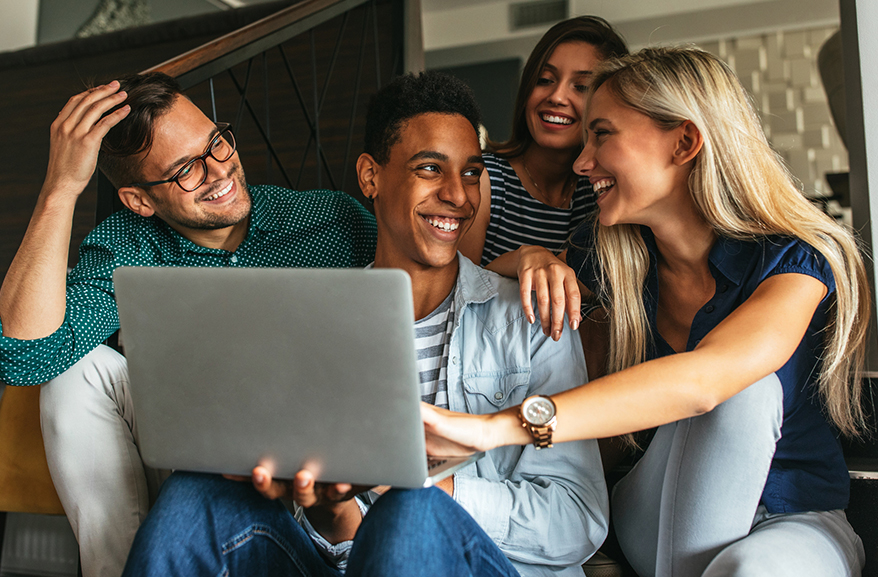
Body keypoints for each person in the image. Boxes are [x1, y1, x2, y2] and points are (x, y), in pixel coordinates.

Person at [120, 71, 608, 577]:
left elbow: (578, 520)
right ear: (371, 177)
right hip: (352, 564)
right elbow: (344, 538)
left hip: (489, 564)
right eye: (429, 169)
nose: (459, 197)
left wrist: (417, 487)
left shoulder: (532, 315)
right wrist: (331, 510)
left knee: (410, 513)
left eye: (470, 173)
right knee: (194, 492)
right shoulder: (315, 325)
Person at [422, 47, 869, 577]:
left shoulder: (795, 260)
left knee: (745, 399)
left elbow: (707, 380)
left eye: (602, 134)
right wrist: (530, 256)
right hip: (662, 508)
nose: (583, 161)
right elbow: (475, 289)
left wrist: (498, 428)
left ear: (684, 142)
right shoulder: (607, 255)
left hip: (796, 519)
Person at [0, 73, 376, 577]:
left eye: (216, 143)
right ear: (139, 200)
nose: (219, 171)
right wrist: (61, 188)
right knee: (72, 373)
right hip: (190, 452)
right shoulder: (129, 246)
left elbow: (431, 291)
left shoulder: (331, 223)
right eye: (185, 171)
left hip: (308, 464)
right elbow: (25, 357)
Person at [459, 16, 627, 274]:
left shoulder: (602, 189)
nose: (557, 96)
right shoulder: (484, 180)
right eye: (545, 79)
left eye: (581, 86)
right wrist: (520, 261)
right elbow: (456, 296)